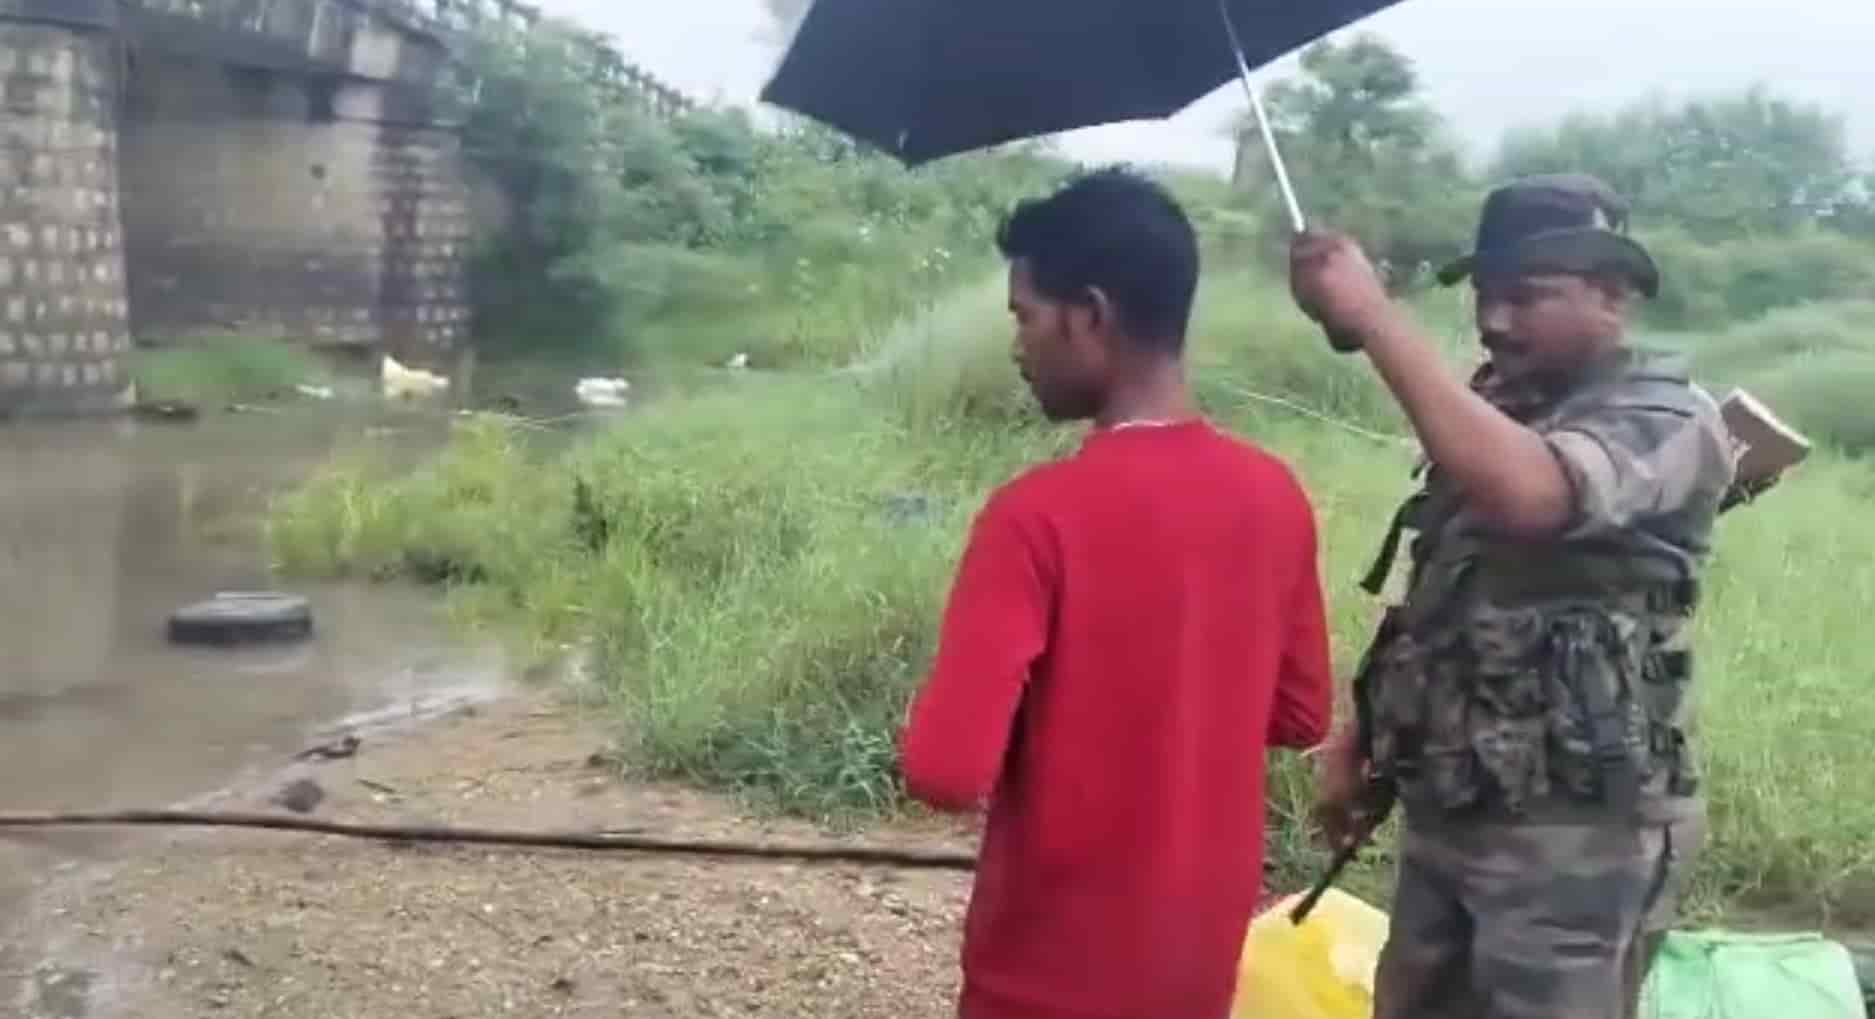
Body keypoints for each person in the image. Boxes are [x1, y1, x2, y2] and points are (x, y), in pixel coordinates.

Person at [1289, 173, 1739, 1019]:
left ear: (1612, 294)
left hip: (1579, 837)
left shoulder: (1666, 417)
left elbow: (1535, 495)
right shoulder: (1495, 408)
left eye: (1526, 296)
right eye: (1485, 296)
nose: (1494, 320)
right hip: (1454, 804)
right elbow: (1439, 584)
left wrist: (1376, 318)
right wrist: (1364, 734)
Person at [897, 168, 1336, 1019]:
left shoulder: (1035, 516)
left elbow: (944, 771)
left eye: (1025, 316)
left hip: (1043, 983)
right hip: (1193, 970)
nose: (1018, 346)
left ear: (1088, 314)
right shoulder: (1273, 494)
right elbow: (1299, 713)